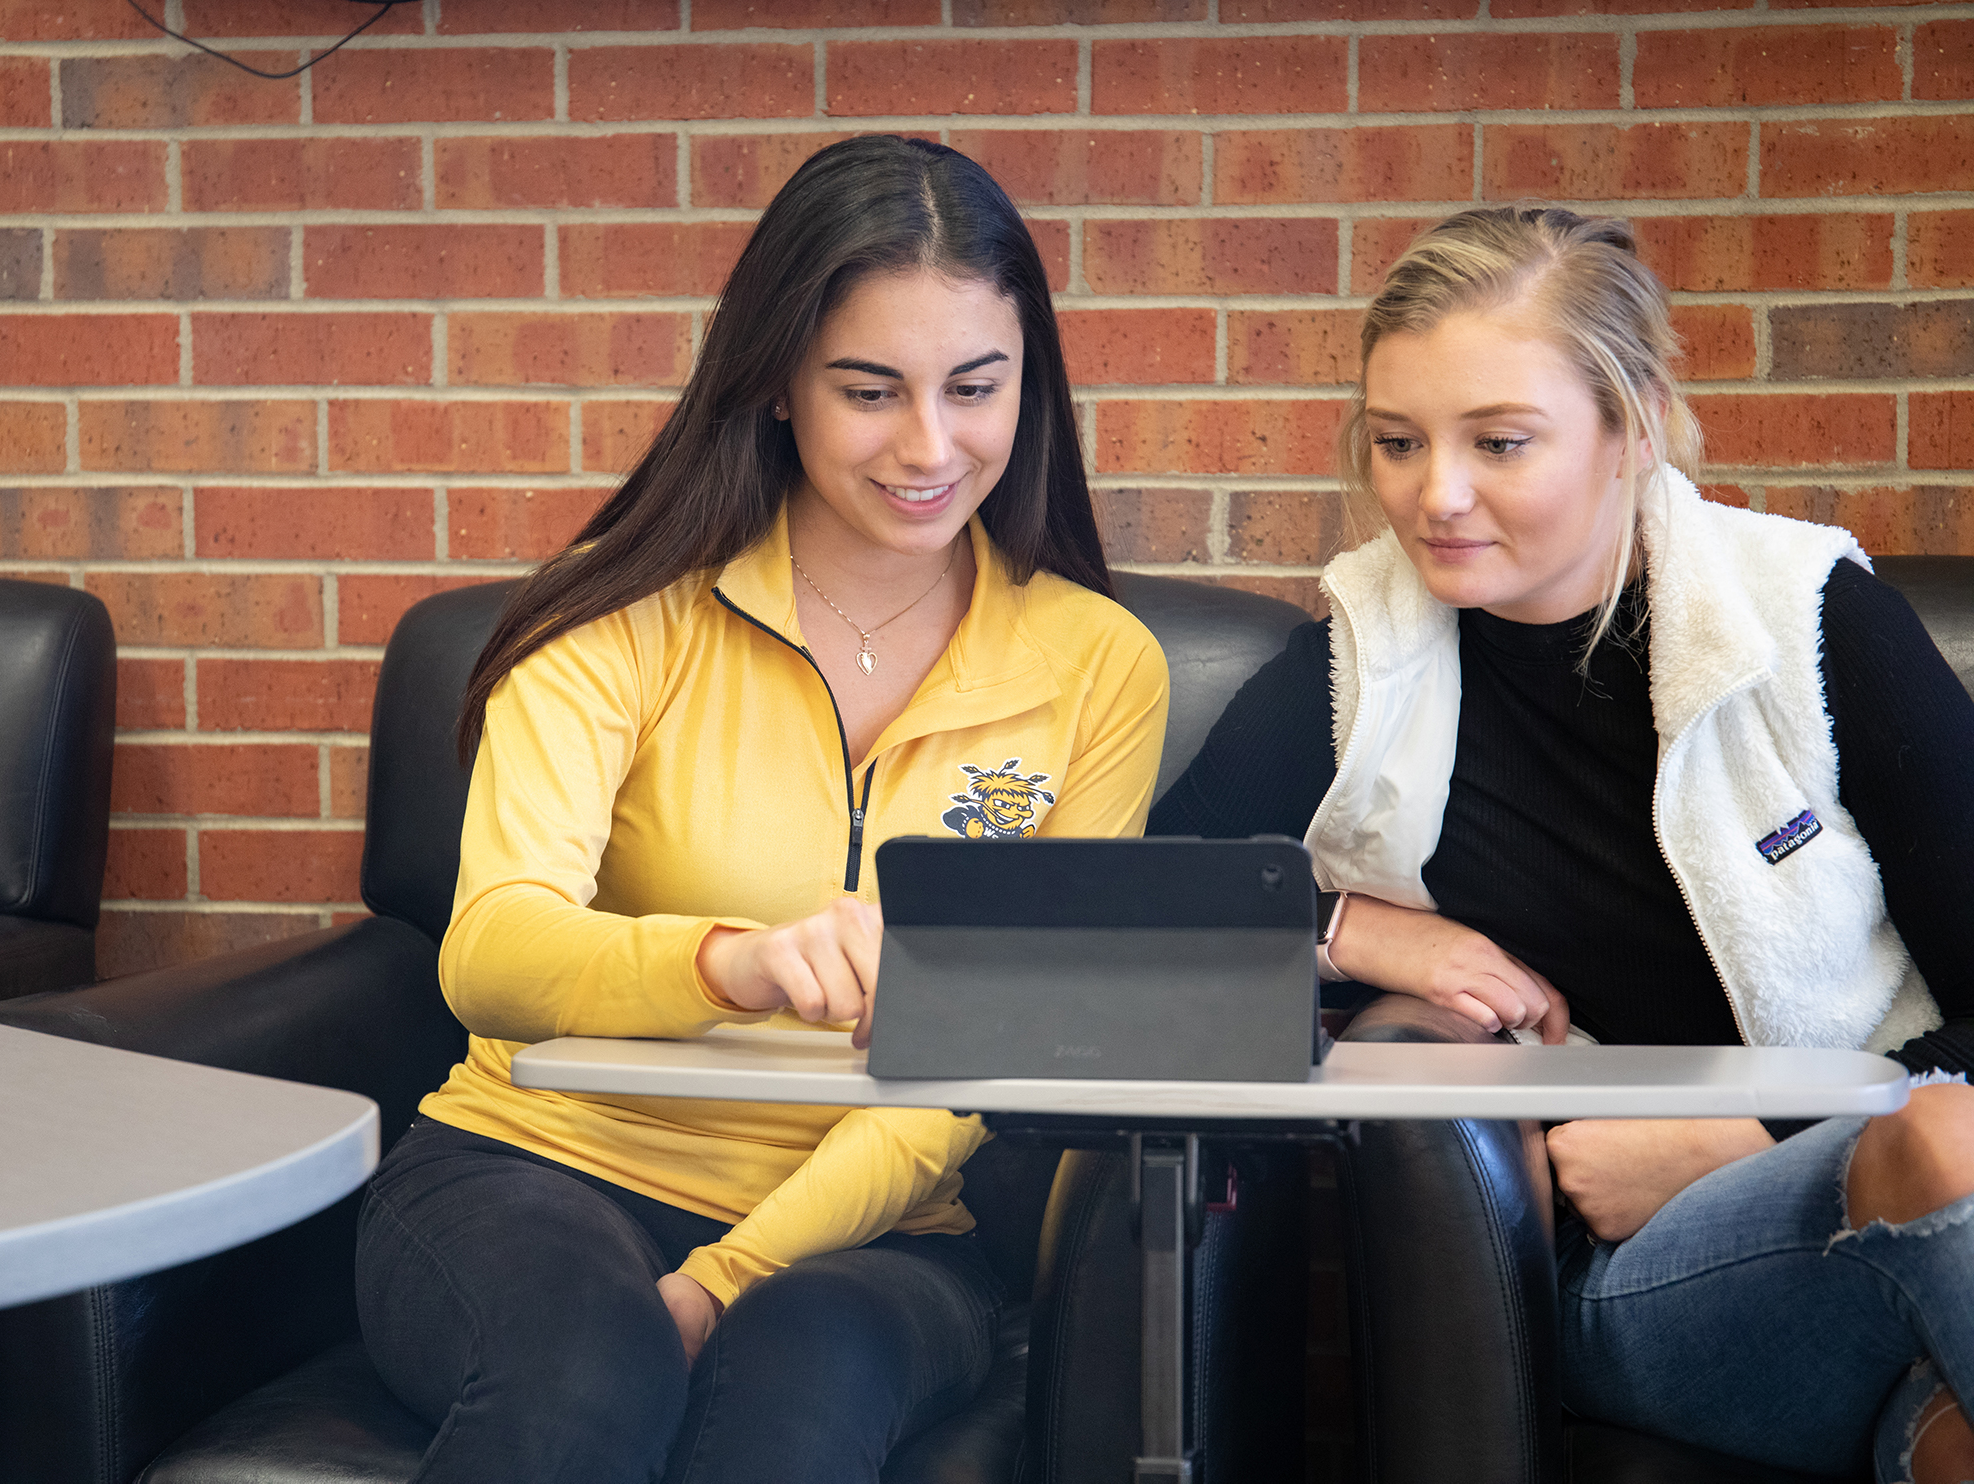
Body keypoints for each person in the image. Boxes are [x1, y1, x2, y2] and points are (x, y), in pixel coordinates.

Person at [354, 135, 1169, 1484]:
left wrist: (732, 1274)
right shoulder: (615, 616)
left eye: (976, 387)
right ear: (779, 383)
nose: (929, 445)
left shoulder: (1097, 666)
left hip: (886, 1226)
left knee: (797, 1388)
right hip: (533, 1169)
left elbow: (996, 1048)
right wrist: (732, 961)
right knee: (585, 1376)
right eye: (869, 390)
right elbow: (489, 953)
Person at [1149, 205, 1974, 1484]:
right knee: (1944, 1143)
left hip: (1887, 1204)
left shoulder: (1807, 624)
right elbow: (1137, 897)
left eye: (1500, 442)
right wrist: (1352, 931)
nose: (1439, 494)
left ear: (1631, 424)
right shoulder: (1358, 672)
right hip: (1636, 1279)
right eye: (1399, 442)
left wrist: (1751, 1134)